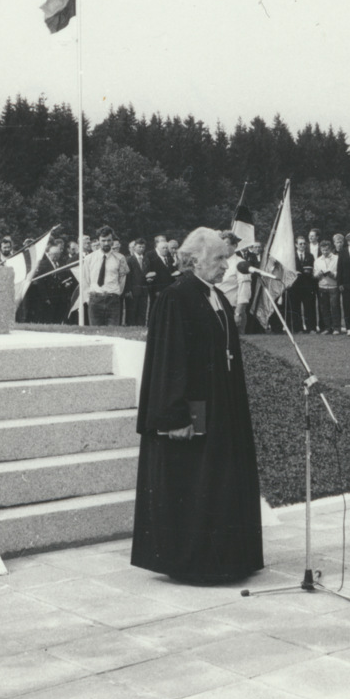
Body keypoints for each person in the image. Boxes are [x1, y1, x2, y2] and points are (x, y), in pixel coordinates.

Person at [130, 227, 263, 584]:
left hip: (222, 407)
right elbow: (169, 361)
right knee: (195, 485)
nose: (225, 265)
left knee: (219, 483)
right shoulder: (177, 297)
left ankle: (228, 557)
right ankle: (195, 562)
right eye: (219, 258)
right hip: (192, 409)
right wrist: (174, 416)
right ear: (194, 260)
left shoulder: (215, 295)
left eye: (226, 258)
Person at [81, 227, 129, 326]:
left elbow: (122, 279)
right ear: (98, 241)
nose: (106, 243)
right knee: (95, 333)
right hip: (95, 300)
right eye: (103, 240)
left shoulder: (120, 258)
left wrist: (115, 293)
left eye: (109, 240)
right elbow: (85, 280)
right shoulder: (89, 258)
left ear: (112, 241)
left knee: (113, 333)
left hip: (113, 300)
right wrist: (88, 299)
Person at [286, 235, 317, 334]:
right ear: (296, 245)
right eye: (300, 244)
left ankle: (311, 328)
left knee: (309, 307)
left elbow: (313, 269)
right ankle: (298, 328)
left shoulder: (310, 256)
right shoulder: (291, 256)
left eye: (304, 244)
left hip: (307, 285)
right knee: (295, 307)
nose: (302, 245)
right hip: (295, 285)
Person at [313, 238, 342, 335]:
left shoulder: (337, 258)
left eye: (326, 250)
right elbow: (315, 274)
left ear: (330, 249)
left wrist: (333, 274)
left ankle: (336, 328)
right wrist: (319, 274)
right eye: (323, 250)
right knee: (324, 308)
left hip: (333, 286)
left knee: (334, 307)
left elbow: (340, 272)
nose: (325, 252)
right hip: (322, 286)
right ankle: (327, 327)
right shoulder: (317, 260)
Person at [124, 238, 151, 326]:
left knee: (142, 311)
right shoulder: (129, 260)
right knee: (132, 312)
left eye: (143, 247)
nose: (141, 249)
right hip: (133, 290)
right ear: (134, 247)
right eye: (139, 247)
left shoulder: (146, 260)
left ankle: (141, 327)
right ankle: (130, 328)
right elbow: (127, 276)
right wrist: (128, 290)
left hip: (144, 290)